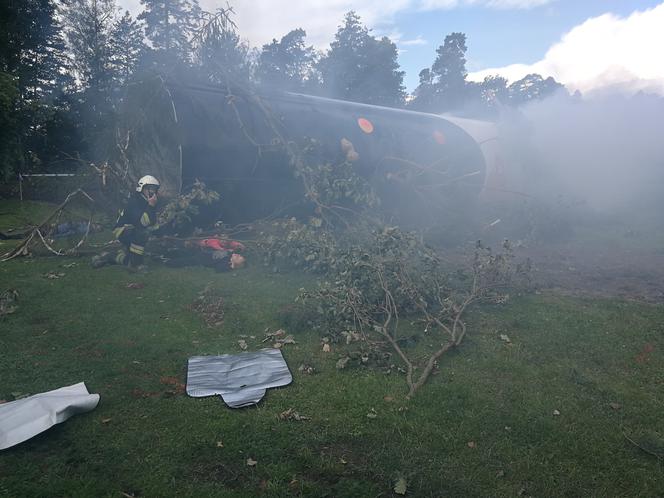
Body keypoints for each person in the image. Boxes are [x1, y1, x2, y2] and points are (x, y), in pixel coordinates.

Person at [92, 175, 160, 270]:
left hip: (133, 230)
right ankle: (136, 264)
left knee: (128, 259)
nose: (153, 192)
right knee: (143, 233)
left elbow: (152, 222)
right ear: (142, 188)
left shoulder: (147, 201)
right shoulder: (135, 201)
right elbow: (143, 223)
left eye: (154, 189)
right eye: (150, 188)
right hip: (123, 230)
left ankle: (108, 256)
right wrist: (151, 206)